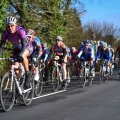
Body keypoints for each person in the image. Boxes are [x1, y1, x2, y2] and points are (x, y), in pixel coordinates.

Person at [0, 16, 33, 89]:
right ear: (6, 26)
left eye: (12, 25)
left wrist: (20, 55)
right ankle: (17, 88)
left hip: (27, 47)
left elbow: (24, 45)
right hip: (17, 49)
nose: (10, 28)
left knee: (23, 56)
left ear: (15, 25)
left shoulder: (20, 30)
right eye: (8, 26)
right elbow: (1, 46)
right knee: (15, 70)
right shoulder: (5, 33)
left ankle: (28, 74)